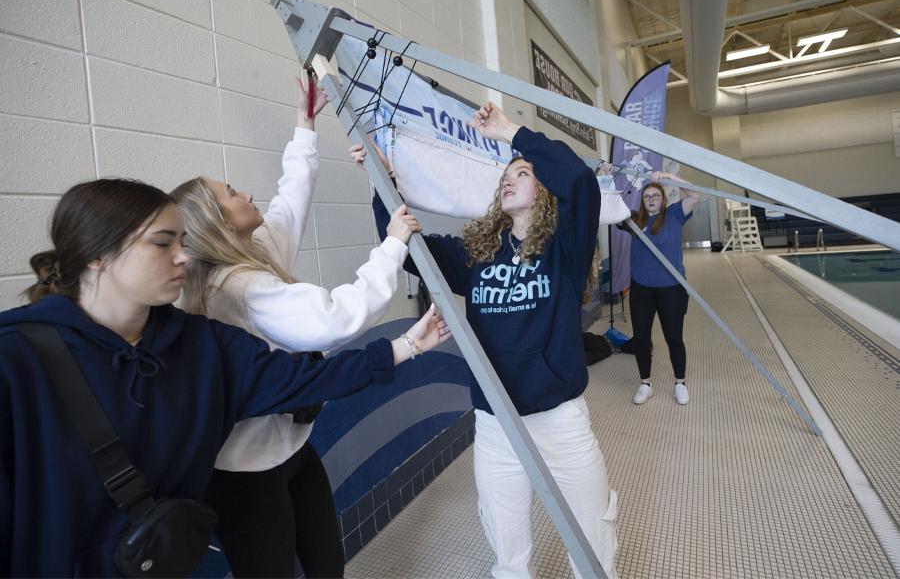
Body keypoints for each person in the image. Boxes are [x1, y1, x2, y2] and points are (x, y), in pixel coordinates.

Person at [0, 178, 449, 577]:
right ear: (98, 255)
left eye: (182, 240)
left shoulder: (200, 345)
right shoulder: (19, 360)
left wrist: (405, 346)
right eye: (163, 243)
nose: (183, 255)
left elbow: (304, 378)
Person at [352, 102, 617, 579]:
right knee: (507, 549)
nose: (509, 179)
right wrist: (382, 184)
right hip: (496, 423)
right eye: (506, 175)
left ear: (545, 191)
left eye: (523, 173)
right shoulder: (476, 252)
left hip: (559, 418)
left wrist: (512, 134)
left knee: (592, 535)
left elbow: (579, 180)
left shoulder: (566, 248)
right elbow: (411, 251)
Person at [171, 76, 421, 578]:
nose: (244, 192)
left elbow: (290, 202)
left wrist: (305, 124)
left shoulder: (252, 256)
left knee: (327, 563)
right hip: (243, 474)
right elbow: (331, 320)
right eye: (231, 192)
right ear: (218, 223)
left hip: (290, 448)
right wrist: (392, 246)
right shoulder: (237, 288)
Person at [626, 172, 699, 406]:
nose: (650, 199)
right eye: (646, 196)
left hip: (671, 289)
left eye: (655, 195)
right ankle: (645, 384)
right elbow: (607, 209)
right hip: (641, 290)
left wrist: (668, 176)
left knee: (674, 338)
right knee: (641, 339)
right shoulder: (635, 220)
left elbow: (695, 194)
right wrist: (607, 180)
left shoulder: (675, 214)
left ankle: (680, 383)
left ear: (663, 198)